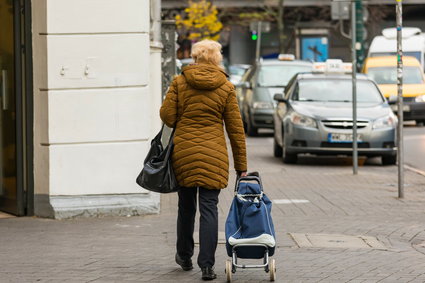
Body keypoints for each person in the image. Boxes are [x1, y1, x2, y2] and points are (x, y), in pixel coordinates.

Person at [160, 39, 247, 281]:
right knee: (209, 208)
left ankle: (184, 255)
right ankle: (207, 266)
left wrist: (174, 99)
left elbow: (167, 116)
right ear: (216, 58)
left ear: (195, 57)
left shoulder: (179, 82)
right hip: (214, 153)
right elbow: (235, 129)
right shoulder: (226, 87)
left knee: (186, 206)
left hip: (184, 152)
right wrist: (242, 167)